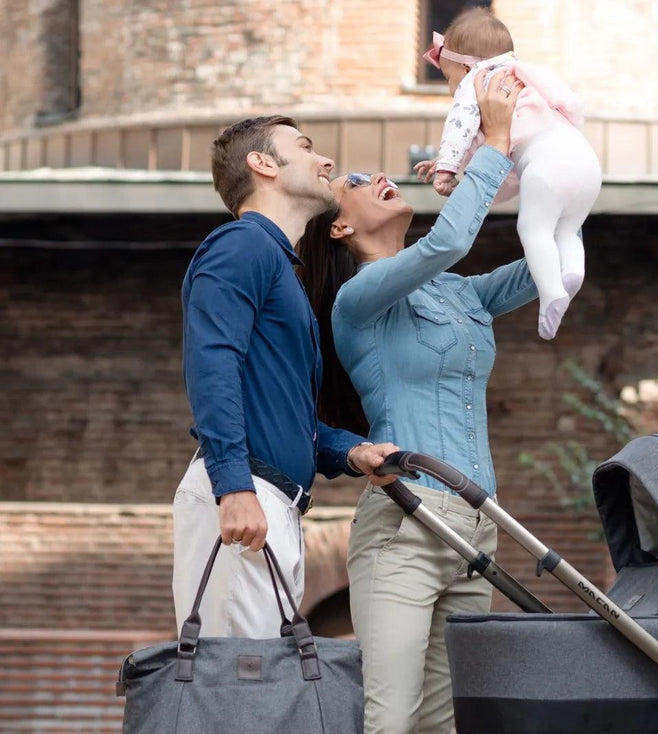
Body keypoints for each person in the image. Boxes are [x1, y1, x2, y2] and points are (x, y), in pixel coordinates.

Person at [297, 70, 530, 734]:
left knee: (446, 721)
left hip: (478, 525)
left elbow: (557, 262)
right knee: (393, 718)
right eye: (353, 183)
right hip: (406, 522)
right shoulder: (357, 301)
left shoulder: (460, 294)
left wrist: (536, 164)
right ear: (339, 227)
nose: (375, 177)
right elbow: (449, 242)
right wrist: (494, 142)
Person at [174, 115, 399, 639]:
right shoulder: (242, 245)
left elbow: (283, 409)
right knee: (238, 693)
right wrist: (232, 488)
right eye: (305, 147)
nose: (326, 161)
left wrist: (349, 451)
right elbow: (212, 362)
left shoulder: (279, 266)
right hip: (244, 495)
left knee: (261, 692)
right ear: (263, 164)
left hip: (270, 499)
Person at [416, 7, 601, 340]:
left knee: (533, 230)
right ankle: (573, 272)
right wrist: (459, 169)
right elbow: (498, 157)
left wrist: (447, 167)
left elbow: (460, 129)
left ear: (465, 65)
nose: (450, 88)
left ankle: (551, 293)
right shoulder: (527, 77)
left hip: (546, 163)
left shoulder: (478, 80)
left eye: (447, 77)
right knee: (567, 230)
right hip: (583, 157)